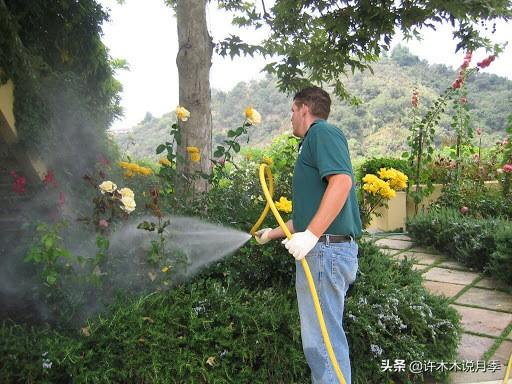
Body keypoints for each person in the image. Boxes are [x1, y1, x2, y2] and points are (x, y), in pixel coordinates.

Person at [254, 86, 362, 384]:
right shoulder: (314, 142)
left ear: (304, 108)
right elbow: (306, 217)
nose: (290, 117)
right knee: (322, 341)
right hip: (324, 250)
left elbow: (341, 183)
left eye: (292, 111)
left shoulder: (321, 134)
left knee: (323, 344)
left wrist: (311, 236)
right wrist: (272, 233)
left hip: (325, 251)